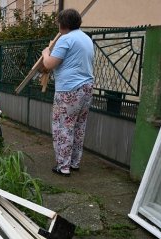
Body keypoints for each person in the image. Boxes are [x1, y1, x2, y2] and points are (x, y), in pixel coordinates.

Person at [41, 8, 94, 177]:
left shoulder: (66, 39)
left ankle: (63, 166)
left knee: (63, 127)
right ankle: (74, 162)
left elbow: (49, 64)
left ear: (62, 23)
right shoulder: (86, 39)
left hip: (69, 90)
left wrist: (46, 52)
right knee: (78, 127)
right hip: (86, 88)